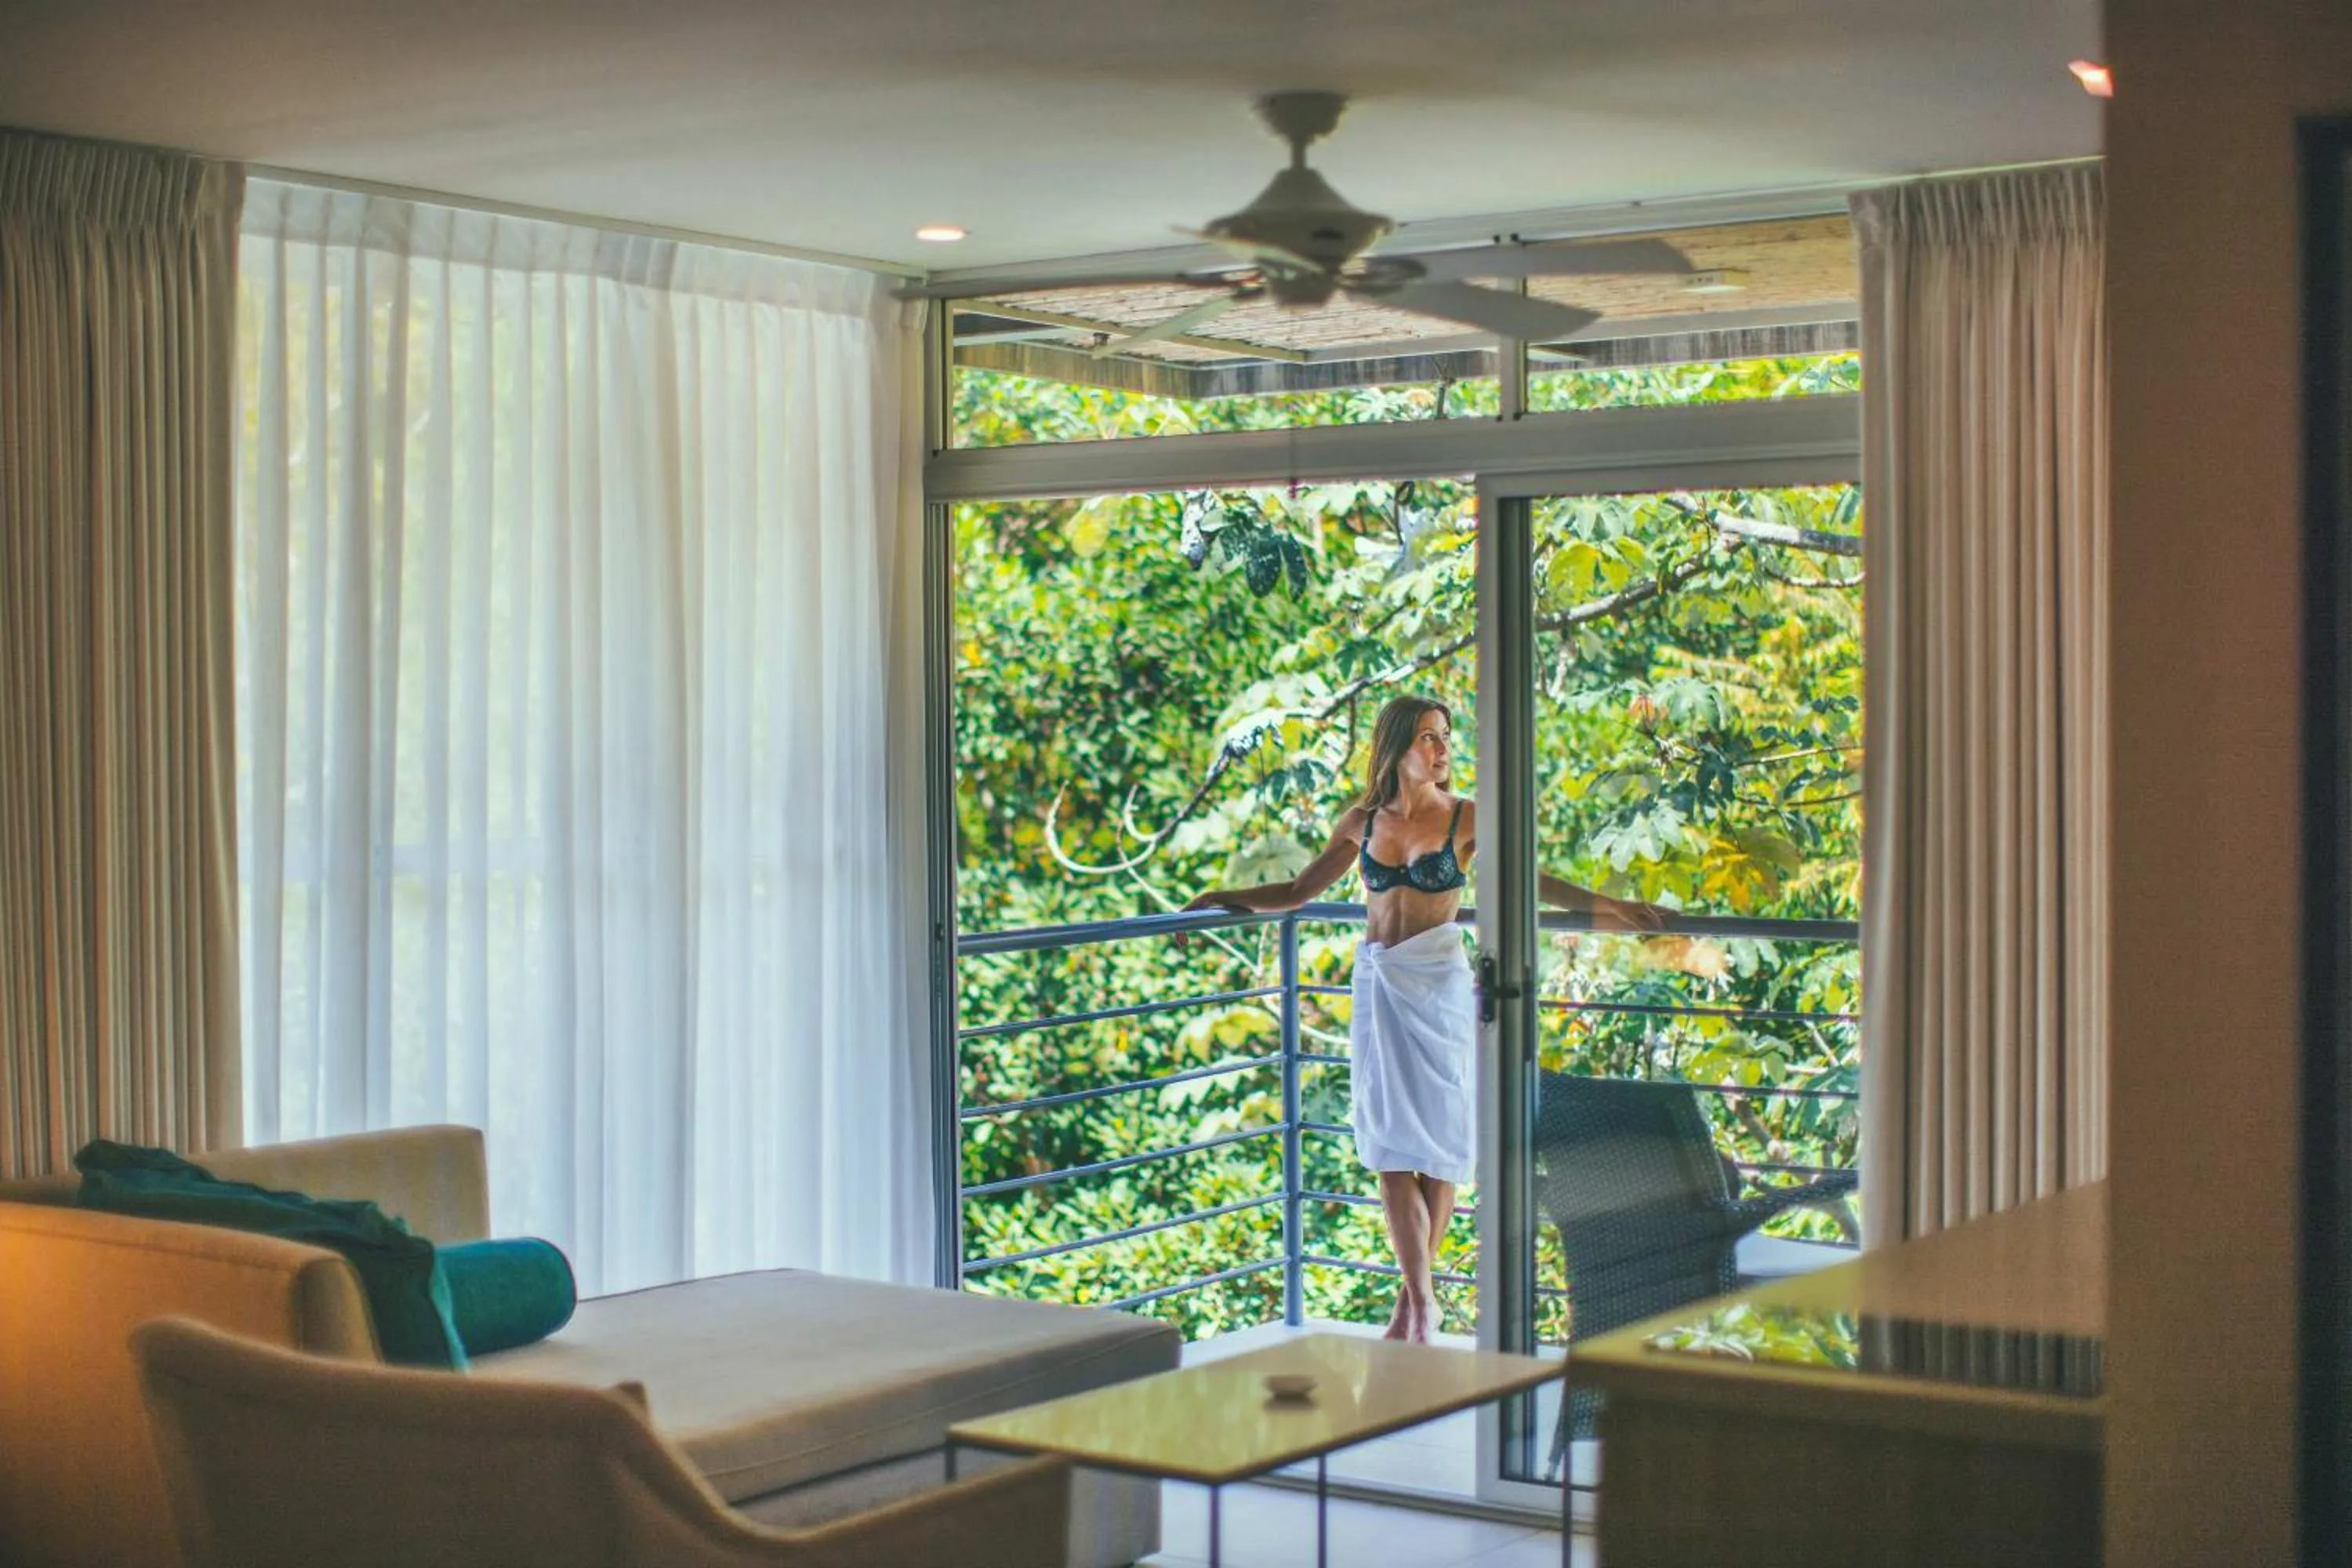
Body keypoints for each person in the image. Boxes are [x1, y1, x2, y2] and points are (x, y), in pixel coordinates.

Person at [1180, 695, 1665, 1342]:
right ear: (1397, 746)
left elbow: (1533, 880)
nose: (1441, 751)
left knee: (1438, 1151)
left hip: (1438, 987)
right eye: (1429, 738)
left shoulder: (1468, 818)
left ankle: (1413, 1305)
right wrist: (1220, 898)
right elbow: (1298, 892)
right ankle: (1420, 1301)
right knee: (1388, 1149)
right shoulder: (1362, 822)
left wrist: (1611, 907)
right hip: (1380, 988)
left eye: (1444, 738)